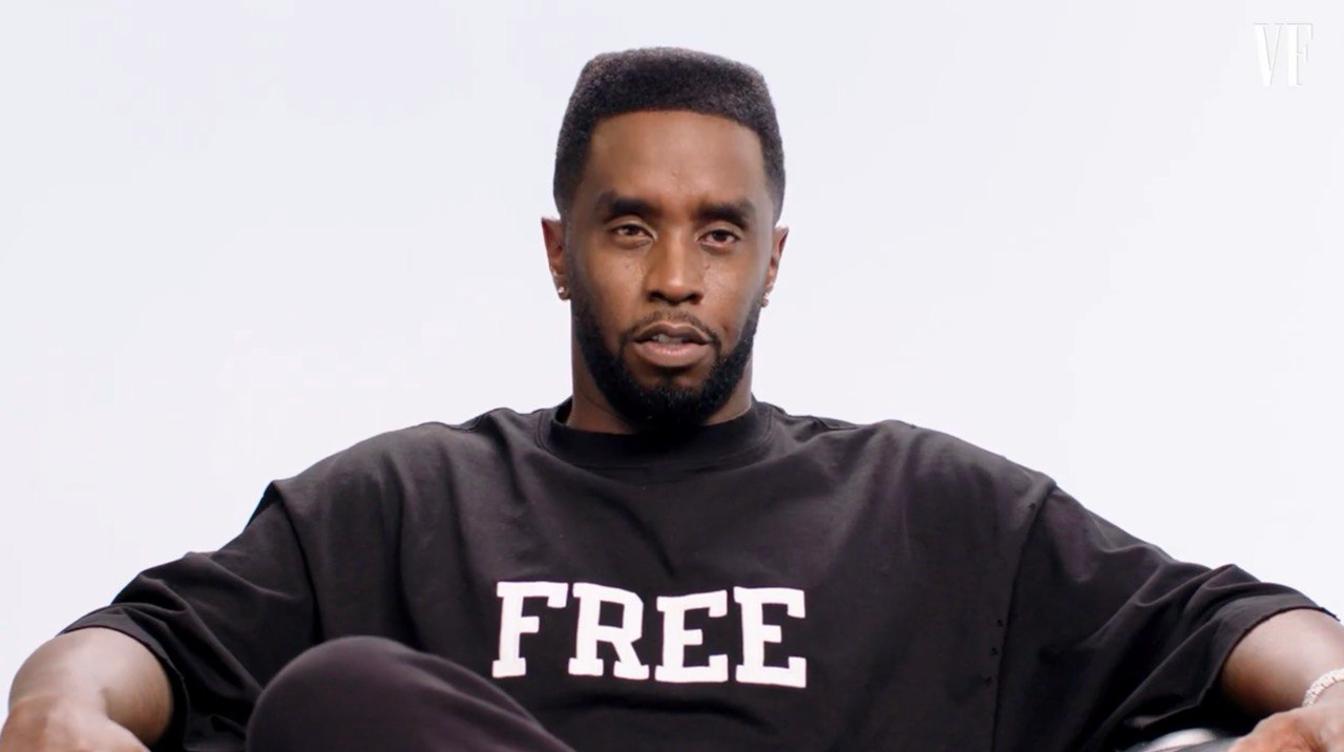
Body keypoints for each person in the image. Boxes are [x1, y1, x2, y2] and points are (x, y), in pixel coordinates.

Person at [3, 46, 1343, 752]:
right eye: (631, 226)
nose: (676, 276)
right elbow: (148, 643)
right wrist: (58, 705)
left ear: (772, 259)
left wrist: (1336, 685)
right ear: (559, 250)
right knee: (337, 696)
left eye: (720, 233)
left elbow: (1215, 620)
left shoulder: (925, 506)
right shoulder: (410, 500)